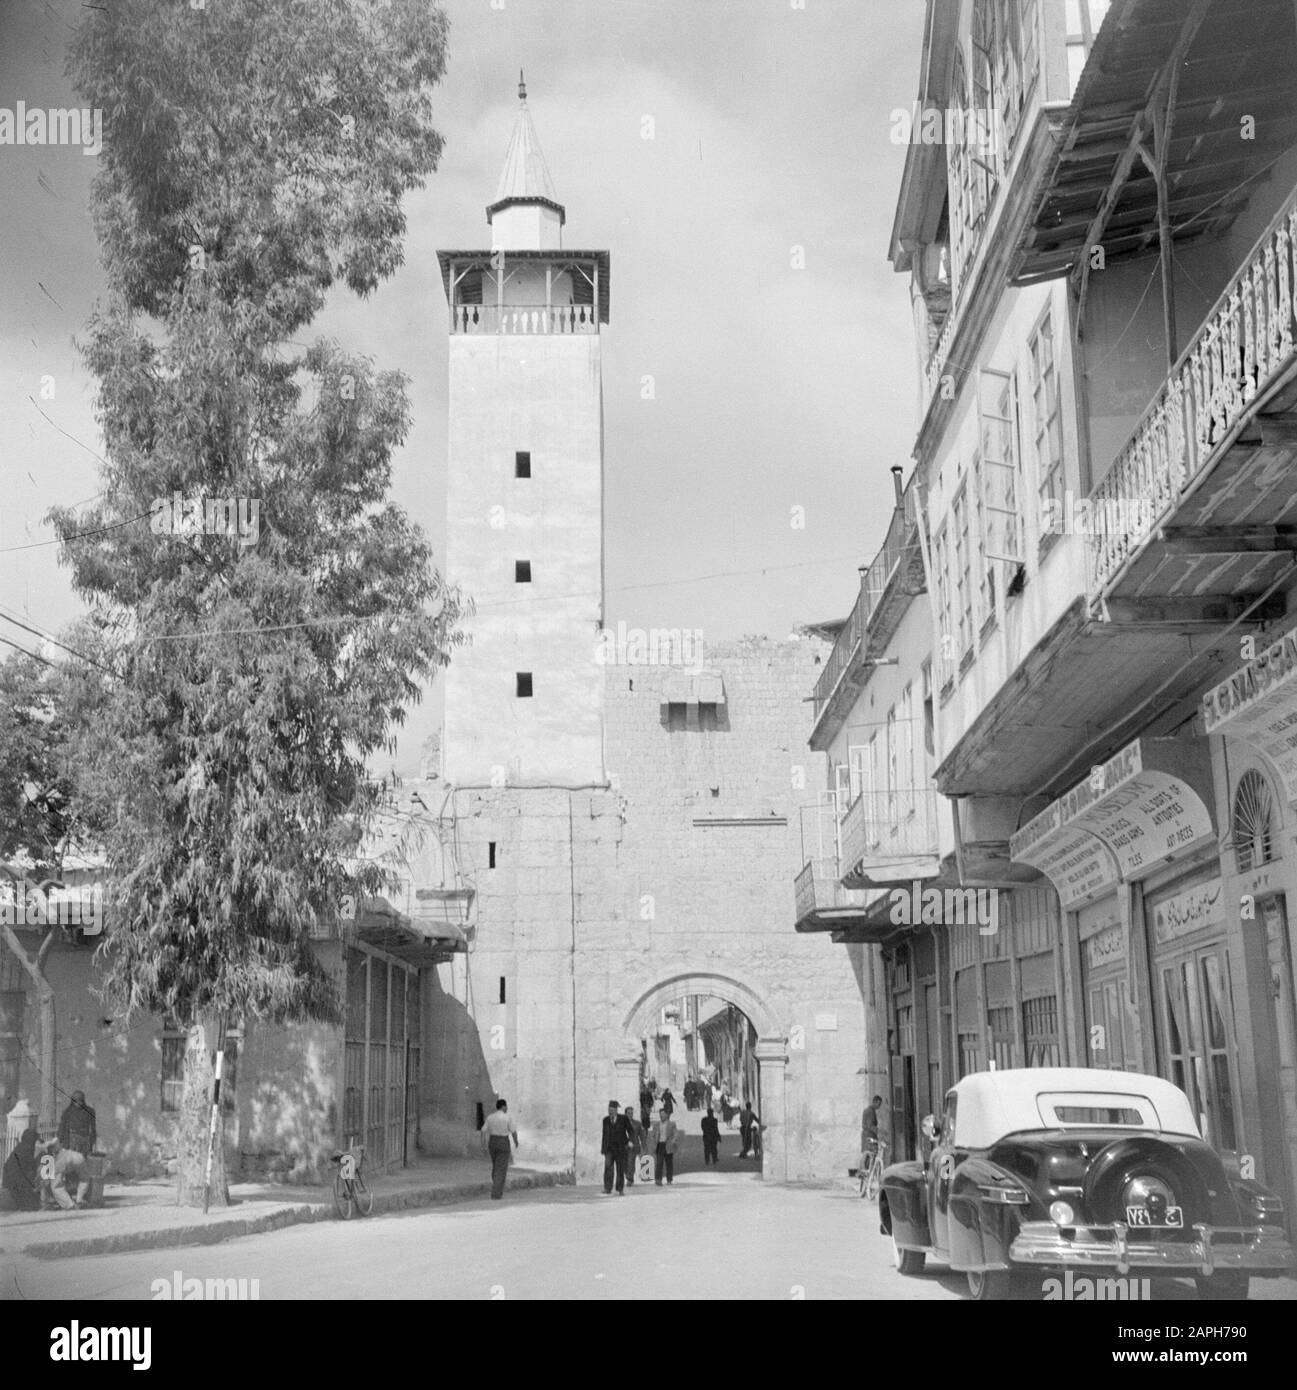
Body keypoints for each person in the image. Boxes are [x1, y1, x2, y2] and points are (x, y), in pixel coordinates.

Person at [481, 1098, 519, 1200]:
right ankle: (496, 1193)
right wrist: (516, 1141)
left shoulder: (490, 1117)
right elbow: (513, 1131)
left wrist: (483, 1143)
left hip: (492, 1142)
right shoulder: (507, 1117)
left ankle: (496, 1187)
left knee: (496, 1166)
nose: (507, 1108)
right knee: (501, 1168)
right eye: (506, 1106)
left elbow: (483, 1130)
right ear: (503, 1106)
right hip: (503, 1142)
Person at [39, 1137, 86, 1210]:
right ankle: (79, 1200)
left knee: (56, 1186)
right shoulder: (58, 1144)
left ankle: (69, 1205)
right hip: (78, 1157)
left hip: (63, 1159)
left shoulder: (49, 1151)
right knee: (84, 1179)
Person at [1, 1127, 41, 1211]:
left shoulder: (22, 1146)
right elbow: (30, 1164)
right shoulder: (27, 1148)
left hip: (10, 1175)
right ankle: (27, 1206)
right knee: (26, 1186)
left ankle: (26, 1206)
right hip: (14, 1176)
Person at [601, 1100, 630, 1195]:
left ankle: (620, 1189)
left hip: (620, 1148)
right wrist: (603, 1149)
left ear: (616, 1110)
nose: (610, 1112)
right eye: (609, 1110)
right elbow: (604, 1135)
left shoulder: (623, 1118)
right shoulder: (605, 1120)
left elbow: (631, 1131)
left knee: (620, 1169)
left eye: (612, 1110)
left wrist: (630, 1141)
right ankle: (607, 1188)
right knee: (608, 1168)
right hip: (609, 1149)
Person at [58, 1089, 96, 1156]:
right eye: (75, 1100)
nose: (78, 1103)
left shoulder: (90, 1111)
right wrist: (61, 1140)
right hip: (71, 1142)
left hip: (84, 1141)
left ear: (83, 1100)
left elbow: (93, 1129)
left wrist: (92, 1142)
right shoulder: (67, 1112)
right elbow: (62, 1127)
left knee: (83, 1162)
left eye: (80, 1100)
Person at [649, 1108, 678, 1185]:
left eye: (663, 1114)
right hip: (659, 1145)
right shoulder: (656, 1124)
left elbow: (675, 1133)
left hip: (668, 1145)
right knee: (659, 1163)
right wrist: (654, 1141)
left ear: (667, 1115)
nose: (661, 1116)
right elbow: (653, 1135)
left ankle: (669, 1179)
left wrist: (674, 1140)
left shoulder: (672, 1124)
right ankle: (658, 1179)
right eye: (660, 1114)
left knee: (669, 1163)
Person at [623, 1099, 645, 1187]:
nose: (630, 1115)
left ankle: (630, 1179)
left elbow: (642, 1136)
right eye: (628, 1113)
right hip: (623, 1146)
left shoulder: (637, 1124)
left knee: (631, 1162)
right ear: (625, 1114)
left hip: (634, 1146)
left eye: (631, 1113)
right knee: (624, 1163)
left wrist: (644, 1147)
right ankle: (628, 1175)